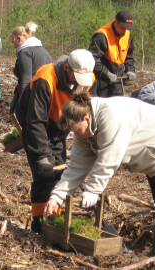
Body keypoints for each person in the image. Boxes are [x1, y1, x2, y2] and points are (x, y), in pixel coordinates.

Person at [43, 92, 155, 265]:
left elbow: (110, 158)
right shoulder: (84, 130)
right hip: (151, 155)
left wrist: (92, 190)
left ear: (86, 118)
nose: (76, 135)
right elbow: (77, 165)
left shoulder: (111, 115)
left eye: (76, 130)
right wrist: (57, 197)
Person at [15, 49, 96, 233]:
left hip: (60, 127)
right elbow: (35, 122)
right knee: (43, 175)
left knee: (59, 173)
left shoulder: (86, 79)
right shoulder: (45, 78)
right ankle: (38, 221)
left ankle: (53, 217)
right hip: (35, 125)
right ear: (67, 68)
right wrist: (42, 157)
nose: (79, 84)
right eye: (76, 78)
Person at [88, 11, 136, 97]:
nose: (125, 31)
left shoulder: (128, 35)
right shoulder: (102, 35)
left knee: (118, 105)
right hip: (101, 81)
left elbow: (129, 56)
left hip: (118, 80)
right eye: (123, 27)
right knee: (102, 106)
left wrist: (130, 70)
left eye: (127, 28)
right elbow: (91, 58)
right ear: (116, 22)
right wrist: (106, 73)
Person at [8, 21, 53, 114]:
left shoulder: (25, 52)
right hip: (47, 93)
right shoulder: (43, 50)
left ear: (19, 38)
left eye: (13, 42)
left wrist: (23, 104)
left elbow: (26, 80)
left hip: (33, 93)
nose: (14, 46)